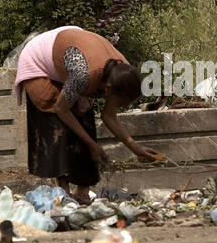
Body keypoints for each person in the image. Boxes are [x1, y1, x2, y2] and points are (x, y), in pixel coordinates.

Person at [13, 26, 161, 201]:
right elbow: (61, 109)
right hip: (39, 60)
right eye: (120, 103)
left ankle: (83, 192)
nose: (119, 107)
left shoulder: (123, 70)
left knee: (84, 116)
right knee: (58, 122)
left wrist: (134, 147)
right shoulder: (83, 74)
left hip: (71, 54)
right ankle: (64, 192)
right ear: (108, 88)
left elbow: (108, 116)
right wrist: (92, 145)